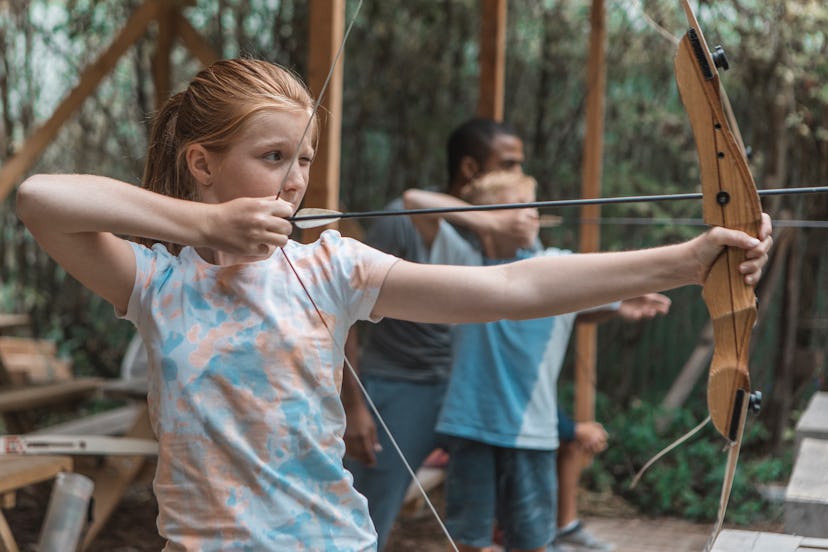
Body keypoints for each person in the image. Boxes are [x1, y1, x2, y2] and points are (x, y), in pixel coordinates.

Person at [15, 58, 772, 551]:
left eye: (303, 159)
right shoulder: (154, 284)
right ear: (203, 164)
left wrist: (687, 259)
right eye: (273, 157)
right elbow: (39, 199)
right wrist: (205, 224)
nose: (294, 181)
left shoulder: (331, 267)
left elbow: (513, 289)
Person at [401, 172, 674, 552]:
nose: (530, 215)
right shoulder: (462, 263)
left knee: (532, 543)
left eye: (532, 206)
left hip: (533, 433)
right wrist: (490, 220)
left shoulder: (553, 265)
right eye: (519, 206)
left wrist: (623, 298)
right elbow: (414, 199)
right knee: (468, 542)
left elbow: (605, 284)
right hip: (469, 425)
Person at [342, 118, 534, 551]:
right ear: (469, 168)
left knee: (492, 521)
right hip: (399, 390)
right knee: (365, 519)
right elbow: (343, 316)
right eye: (508, 164)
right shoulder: (406, 220)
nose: (517, 176)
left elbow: (537, 293)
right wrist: (354, 406)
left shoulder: (494, 235)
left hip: (466, 392)